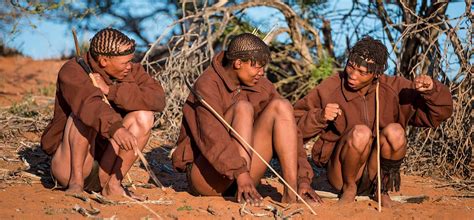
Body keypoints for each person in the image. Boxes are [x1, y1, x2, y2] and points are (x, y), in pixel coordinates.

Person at [294, 36, 453, 207]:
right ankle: (349, 189)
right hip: (340, 174)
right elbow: (293, 127)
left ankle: (382, 189)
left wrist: (432, 90)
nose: (353, 76)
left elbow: (439, 114)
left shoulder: (394, 88)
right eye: (350, 67)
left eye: (362, 73)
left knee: (396, 132)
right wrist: (320, 117)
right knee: (361, 133)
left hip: (374, 170)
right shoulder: (331, 87)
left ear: (377, 73)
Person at [172, 33, 321, 205]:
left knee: (283, 106)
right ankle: (241, 179)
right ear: (238, 63)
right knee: (243, 108)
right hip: (209, 178)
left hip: (248, 177)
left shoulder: (263, 86)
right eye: (257, 67)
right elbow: (211, 137)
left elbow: (292, 133)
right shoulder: (207, 84)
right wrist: (240, 172)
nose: (261, 72)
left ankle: (291, 191)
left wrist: (303, 178)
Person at [41, 28, 166, 199]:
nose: (130, 66)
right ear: (104, 60)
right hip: (71, 167)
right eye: (125, 63)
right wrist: (115, 128)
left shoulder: (132, 70)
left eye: (131, 61)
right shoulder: (73, 70)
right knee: (81, 114)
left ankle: (113, 186)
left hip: (106, 166)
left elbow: (158, 99)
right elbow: (89, 104)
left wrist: (111, 91)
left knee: (145, 116)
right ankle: (75, 184)